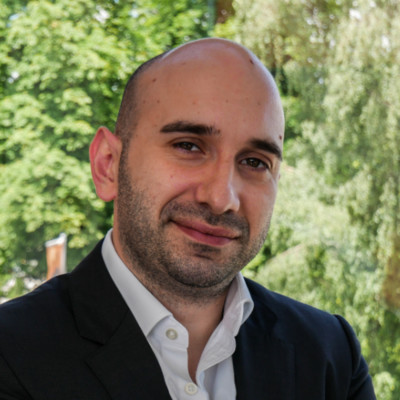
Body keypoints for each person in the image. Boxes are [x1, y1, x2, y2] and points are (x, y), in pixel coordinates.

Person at [0, 38, 376, 399]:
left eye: (254, 162)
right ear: (108, 165)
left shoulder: (329, 356)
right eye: (188, 146)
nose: (221, 199)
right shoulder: (12, 354)